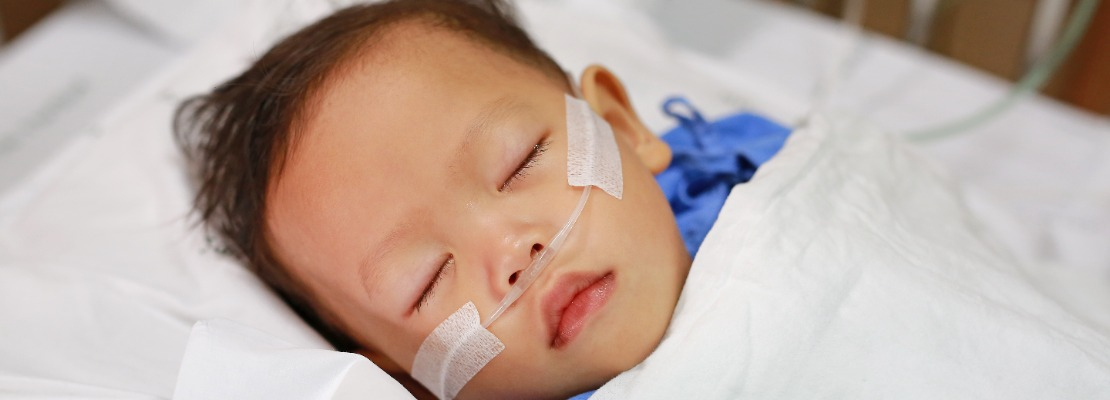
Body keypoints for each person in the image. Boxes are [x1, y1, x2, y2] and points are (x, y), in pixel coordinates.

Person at [175, 1, 700, 398]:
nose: (514, 250)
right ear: (404, 373)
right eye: (427, 281)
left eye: (520, 162)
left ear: (619, 125)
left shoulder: (762, 166)